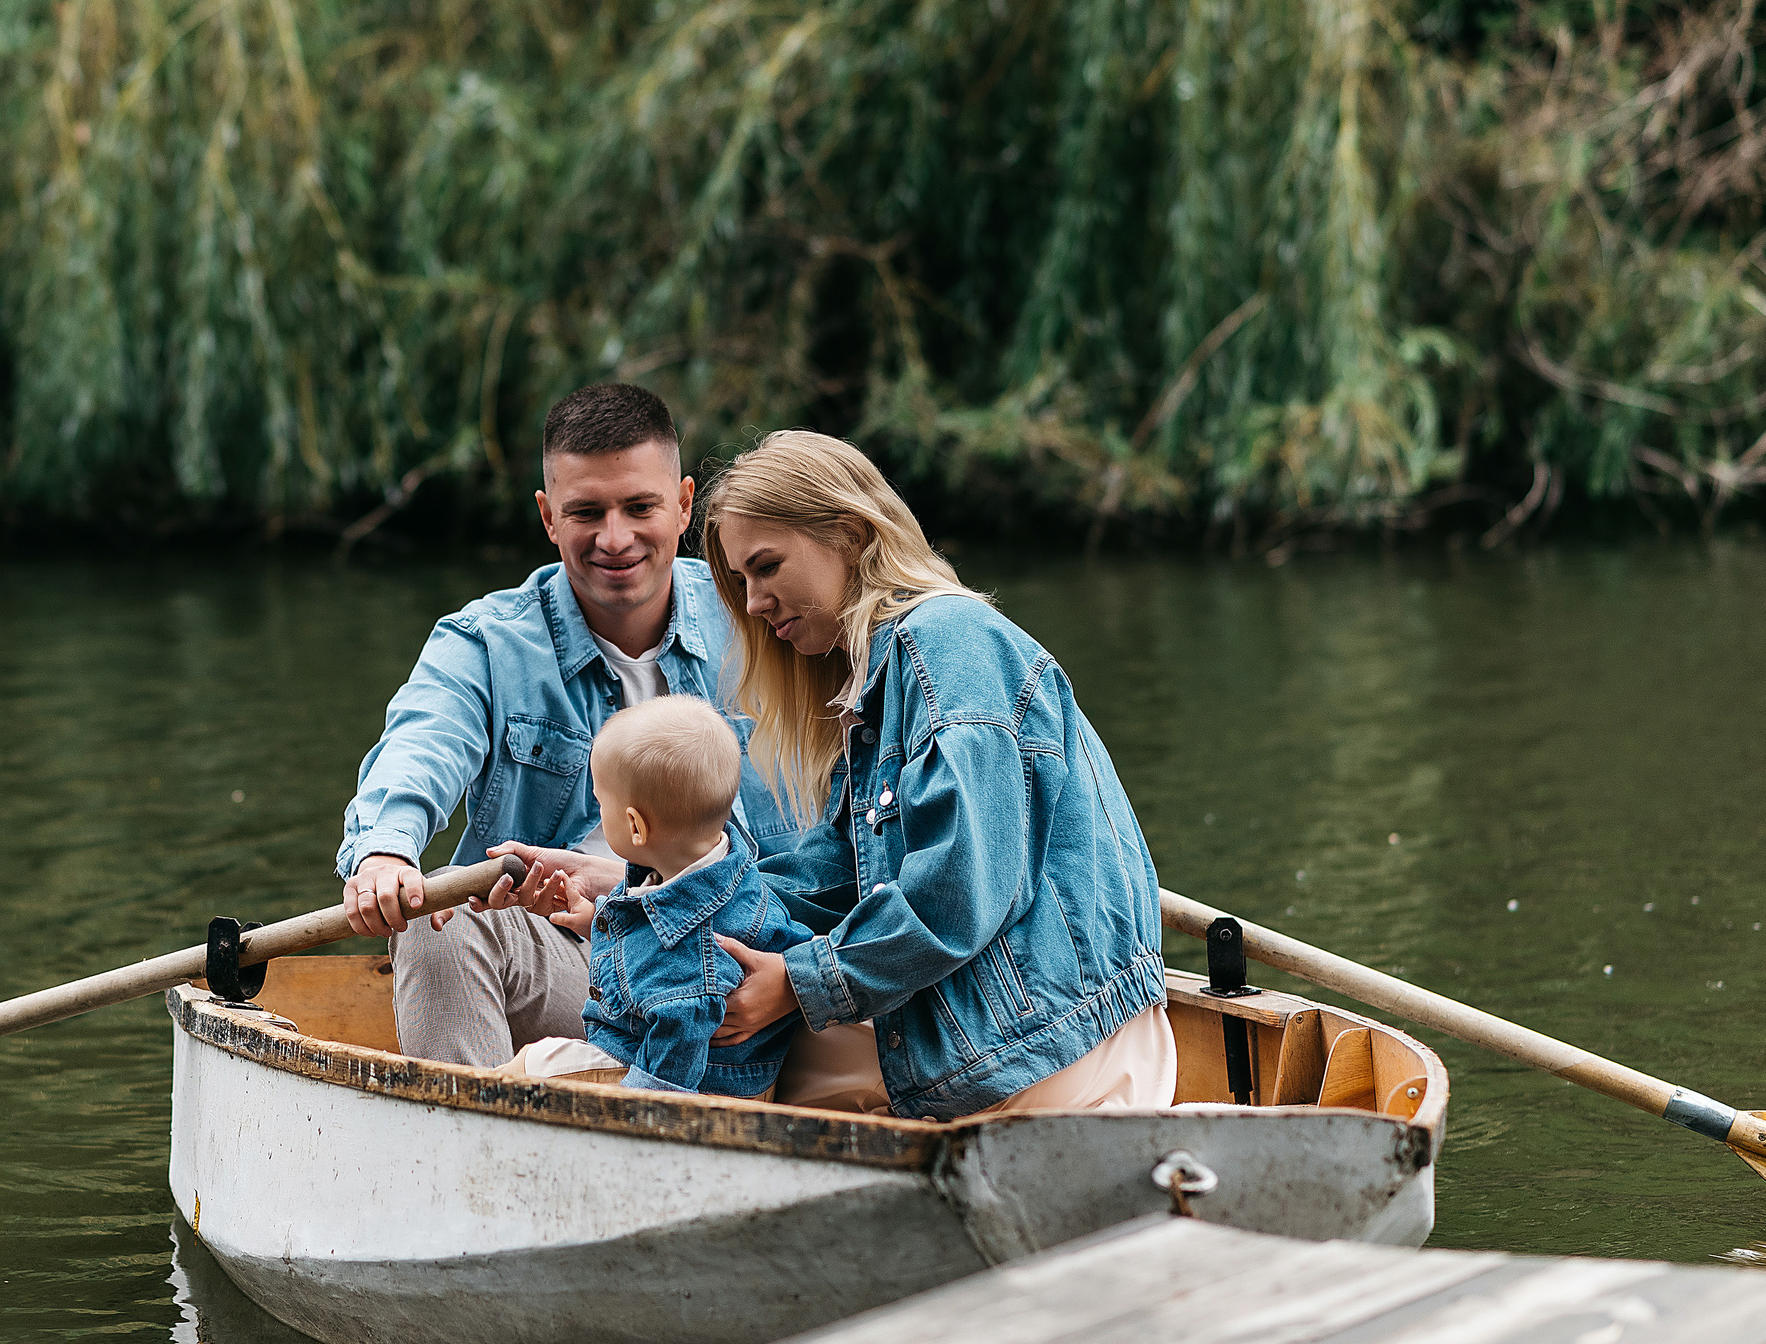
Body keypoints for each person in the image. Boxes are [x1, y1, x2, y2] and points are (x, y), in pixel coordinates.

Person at [698, 430, 1175, 1118]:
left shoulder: (948, 642)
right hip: (1011, 1039)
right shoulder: (882, 683)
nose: (752, 603)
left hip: (1045, 1048)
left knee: (696, 1043)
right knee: (702, 1015)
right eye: (741, 581)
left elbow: (957, 893)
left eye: (766, 567)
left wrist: (798, 984)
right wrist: (671, 891)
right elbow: (829, 880)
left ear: (851, 534)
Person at [336, 384, 793, 1066]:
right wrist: (385, 853)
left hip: (742, 960)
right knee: (435, 924)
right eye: (586, 512)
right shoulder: (485, 642)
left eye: (639, 507)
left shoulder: (763, 616)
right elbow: (422, 742)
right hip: (582, 969)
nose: (615, 538)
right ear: (549, 518)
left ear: (683, 504)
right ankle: (483, 1129)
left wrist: (639, 892)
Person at [504, 697, 812, 1097]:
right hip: (691, 1065)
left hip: (684, 1084)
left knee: (522, 1072)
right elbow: (653, 934)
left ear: (635, 827)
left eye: (601, 802)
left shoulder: (694, 950)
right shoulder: (713, 874)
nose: (599, 810)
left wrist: (637, 1113)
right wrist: (598, 921)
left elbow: (672, 1064)